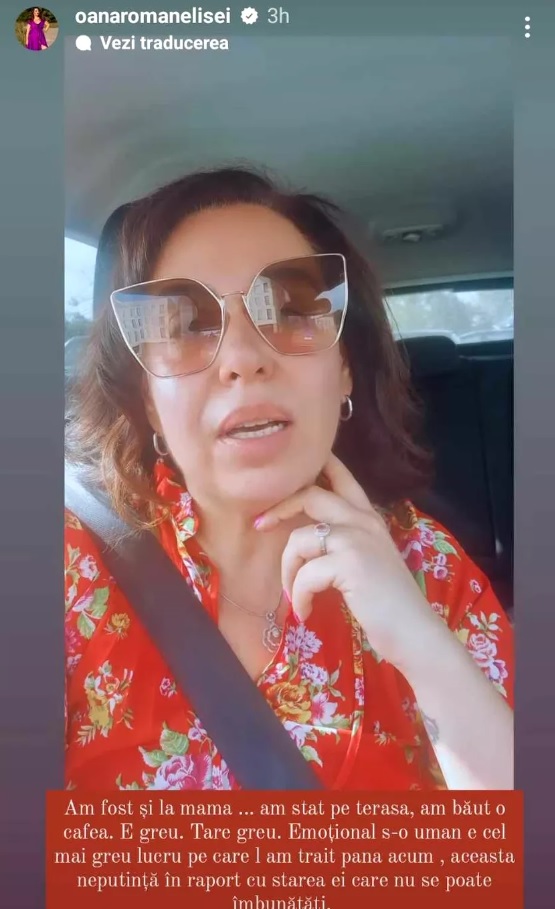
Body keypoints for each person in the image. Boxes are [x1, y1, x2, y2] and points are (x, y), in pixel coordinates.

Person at [64, 166, 514, 792]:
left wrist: (420, 644)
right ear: (147, 401)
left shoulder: (427, 568)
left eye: (291, 310)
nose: (243, 358)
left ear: (344, 368)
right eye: (186, 326)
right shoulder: (68, 568)